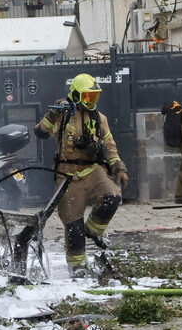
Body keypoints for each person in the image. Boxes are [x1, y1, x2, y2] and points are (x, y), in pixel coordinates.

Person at [34, 73, 129, 278]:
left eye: (94, 97)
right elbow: (41, 132)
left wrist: (119, 168)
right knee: (73, 224)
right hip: (67, 174)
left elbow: (110, 146)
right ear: (75, 95)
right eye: (87, 97)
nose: (91, 101)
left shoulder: (99, 118)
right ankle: (77, 266)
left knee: (112, 196)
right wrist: (52, 114)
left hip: (93, 170)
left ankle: (93, 231)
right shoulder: (63, 114)